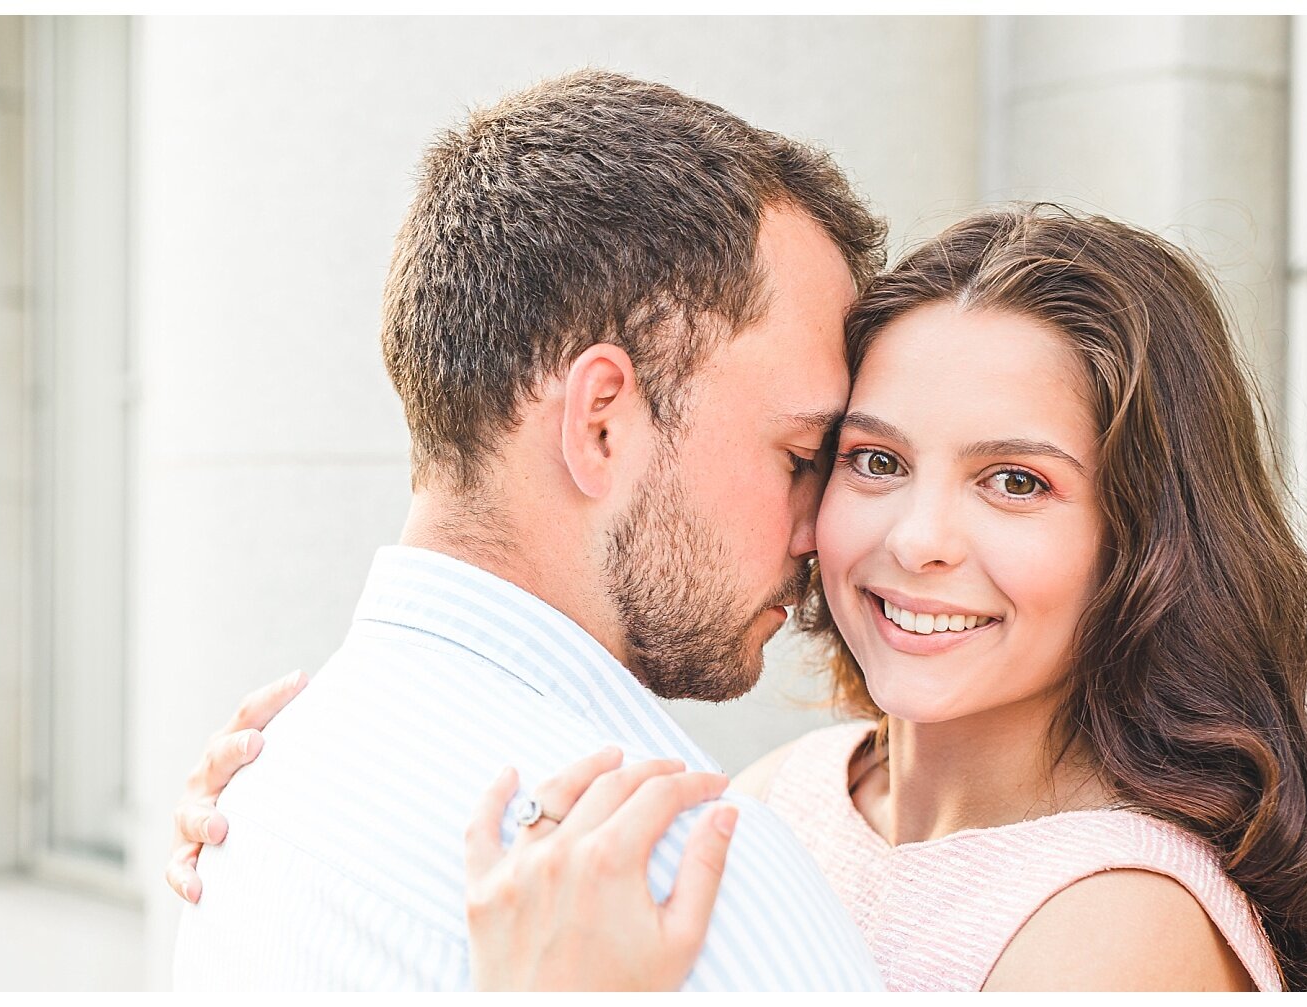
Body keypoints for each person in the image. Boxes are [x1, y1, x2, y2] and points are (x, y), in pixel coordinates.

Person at [399, 208, 1307, 990]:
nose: (921, 538)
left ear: (1145, 540)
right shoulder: (788, 795)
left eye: (1015, 481)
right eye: (876, 459)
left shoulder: (1119, 923)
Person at [169, 68, 892, 991]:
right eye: (801, 456)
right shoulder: (685, 885)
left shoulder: (259, 791)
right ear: (601, 422)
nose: (820, 529)